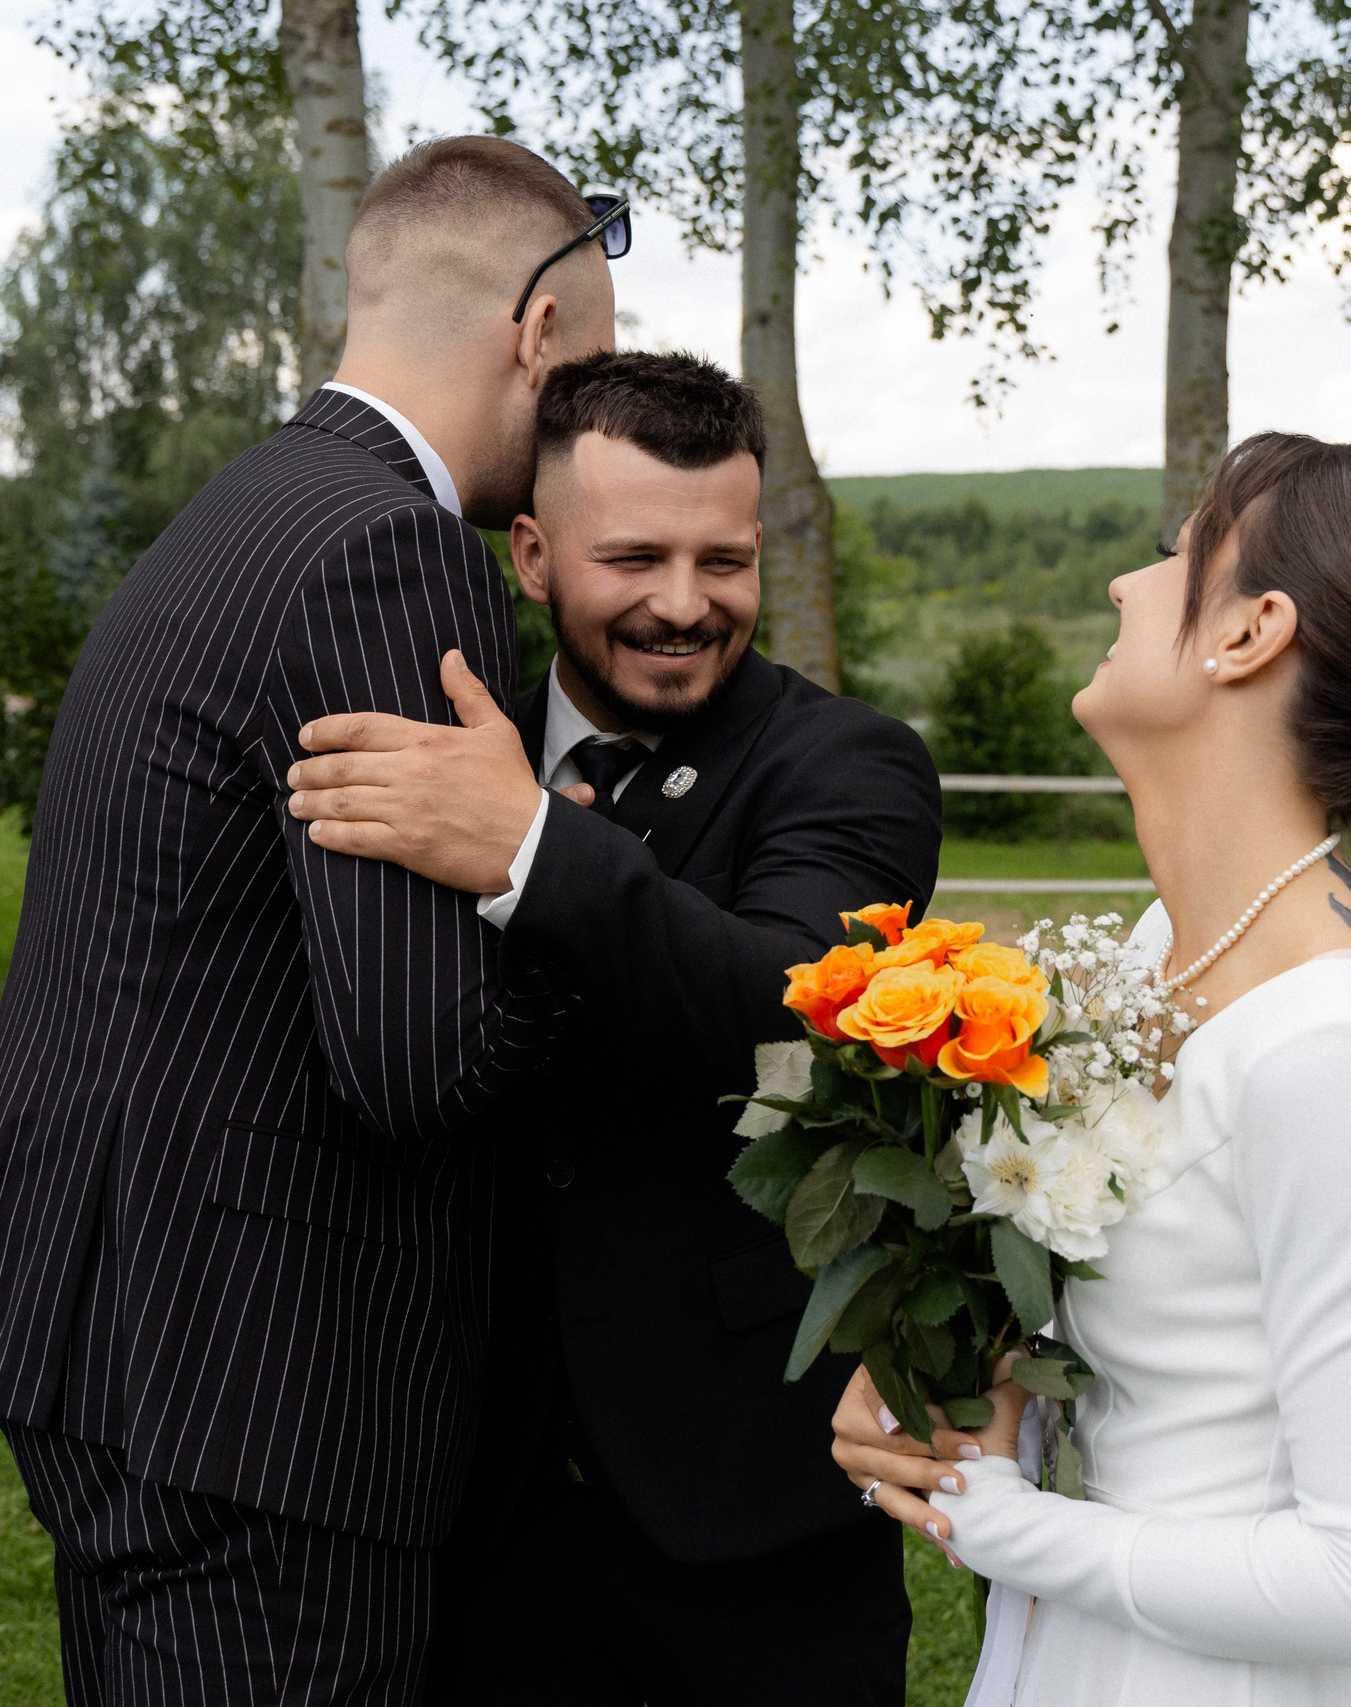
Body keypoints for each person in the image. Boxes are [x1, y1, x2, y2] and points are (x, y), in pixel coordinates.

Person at [0, 135, 617, 1705]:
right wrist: (562, 870)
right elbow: (415, 1055)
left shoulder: (255, 503)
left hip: (126, 1323)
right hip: (259, 1378)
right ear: (540, 328)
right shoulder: (390, 547)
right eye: (593, 361)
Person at [829, 434, 1351, 1705]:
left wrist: (998, 1521)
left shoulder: (1330, 1051)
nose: (1123, 589)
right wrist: (975, 1386)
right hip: (1094, 1644)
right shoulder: (1166, 943)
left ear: (1250, 632)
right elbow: (1177, 1326)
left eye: (1173, 556)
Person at [283, 349, 941, 1705]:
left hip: (753, 1503)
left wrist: (526, 847)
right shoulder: (459, 748)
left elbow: (791, 1007)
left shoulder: (849, 764)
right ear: (531, 552)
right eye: (635, 556)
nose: (687, 605)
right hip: (487, 1497)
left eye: (727, 560)